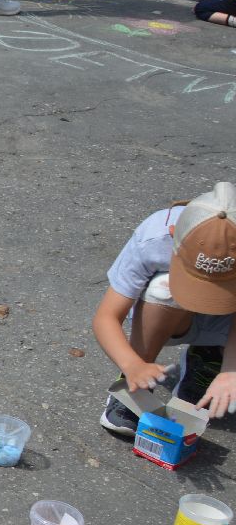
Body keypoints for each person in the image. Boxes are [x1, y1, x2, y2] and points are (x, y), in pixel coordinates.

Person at [93, 183, 236, 437]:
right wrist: (132, 364)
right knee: (162, 287)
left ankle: (209, 356)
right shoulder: (155, 236)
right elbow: (106, 317)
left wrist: (231, 370)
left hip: (225, 321)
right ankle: (136, 381)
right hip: (171, 316)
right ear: (173, 234)